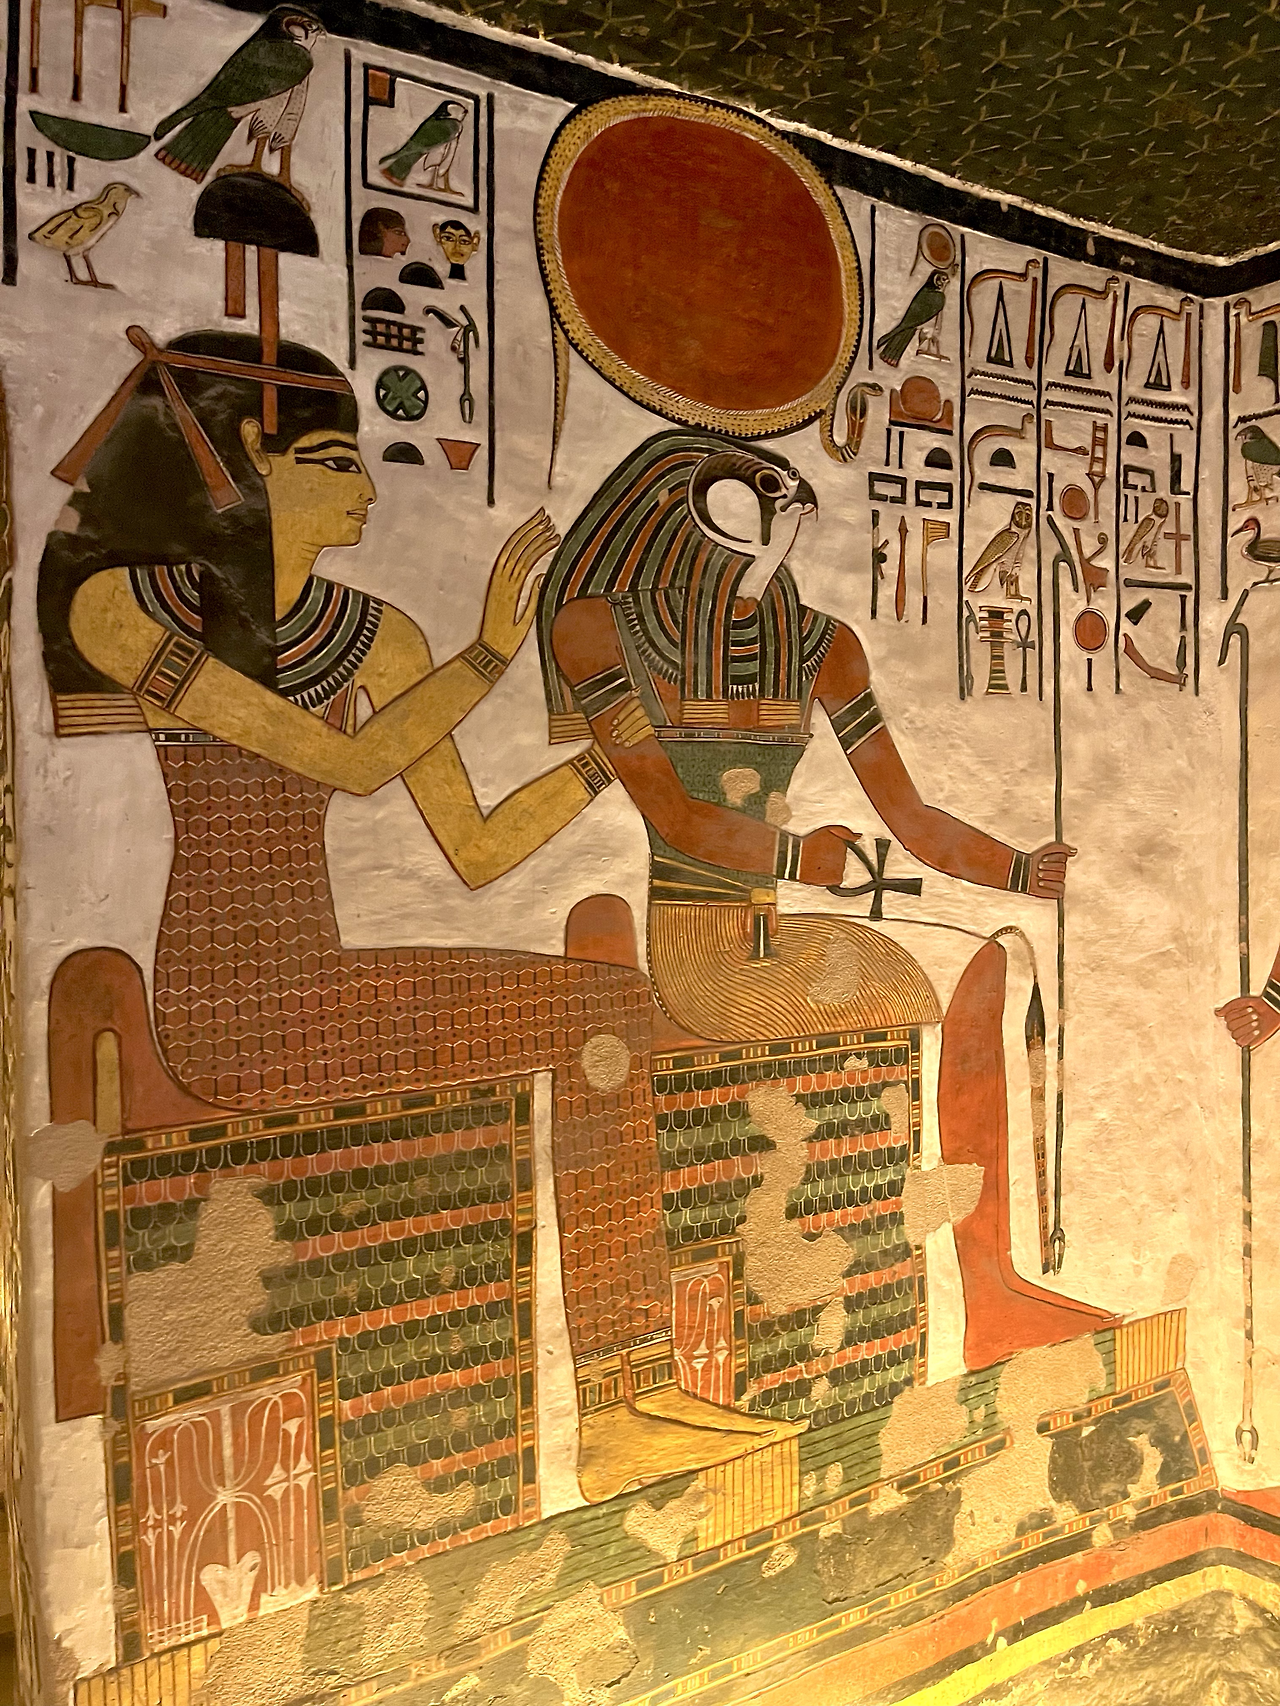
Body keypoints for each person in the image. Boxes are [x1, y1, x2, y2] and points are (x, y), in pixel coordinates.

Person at [43, 331, 799, 1501]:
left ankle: (629, 1394)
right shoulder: (127, 605)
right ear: (251, 455)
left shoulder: (377, 636)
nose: (366, 486)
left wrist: (614, 758)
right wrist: (491, 651)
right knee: (593, 1009)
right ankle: (620, 1410)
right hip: (228, 1002)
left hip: (324, 976)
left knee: (606, 1002)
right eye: (335, 460)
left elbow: (478, 848)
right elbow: (345, 763)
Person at [539, 429, 1109, 1365]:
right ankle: (983, 1293)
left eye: (787, 515)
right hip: (702, 961)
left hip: (771, 937)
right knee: (955, 980)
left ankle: (995, 1284)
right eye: (757, 509)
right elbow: (673, 814)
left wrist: (1016, 871)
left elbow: (908, 813)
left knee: (992, 957)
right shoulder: (601, 632)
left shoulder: (819, 646)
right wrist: (798, 855)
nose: (778, 536)